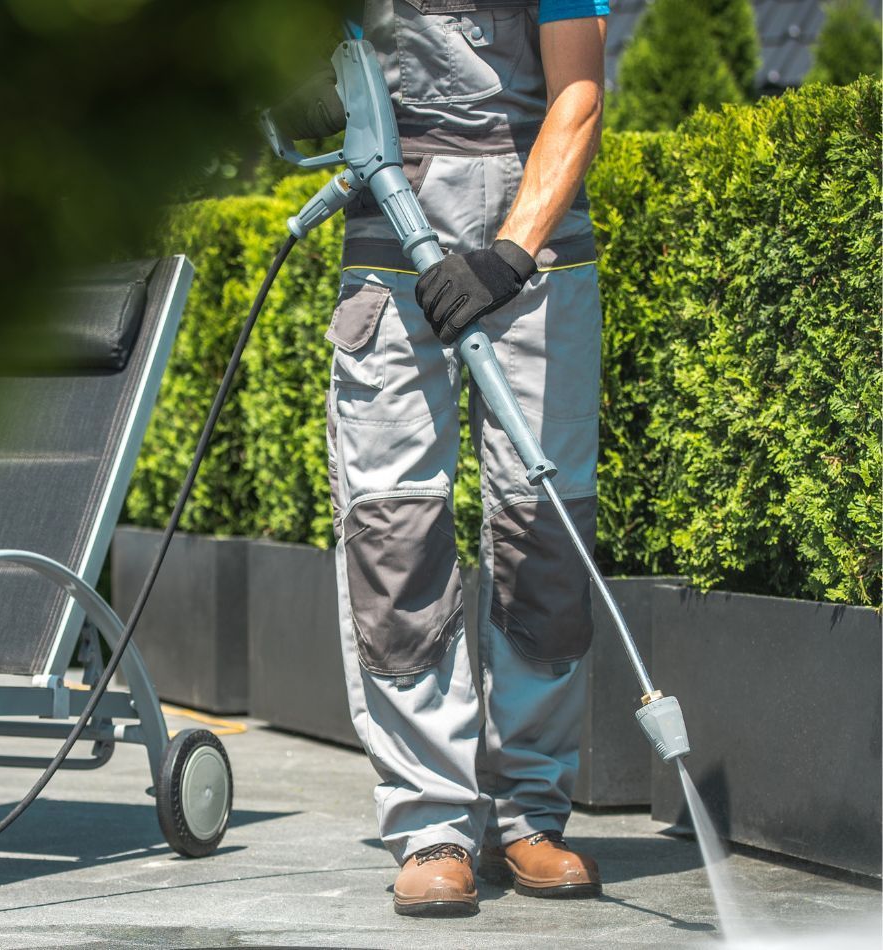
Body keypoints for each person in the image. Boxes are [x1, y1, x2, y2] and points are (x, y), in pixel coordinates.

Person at [296, 0, 608, 917]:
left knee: (545, 533)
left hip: (537, 254)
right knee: (395, 533)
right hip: (392, 240)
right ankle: (432, 822)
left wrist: (510, 254)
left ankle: (529, 814)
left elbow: (579, 92)